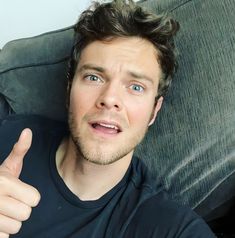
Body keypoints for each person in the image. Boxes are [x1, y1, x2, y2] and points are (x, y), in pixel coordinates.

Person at [0, 0, 215, 237]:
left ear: (154, 110)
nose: (110, 98)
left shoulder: (172, 228)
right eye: (94, 78)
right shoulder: (9, 134)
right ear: (70, 87)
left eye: (136, 87)